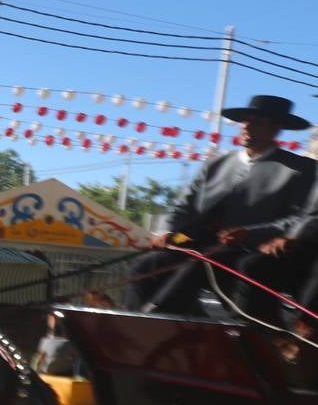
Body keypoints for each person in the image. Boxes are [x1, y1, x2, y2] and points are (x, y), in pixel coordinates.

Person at [125, 95, 316, 320]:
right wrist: (167, 233)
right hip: (192, 241)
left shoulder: (301, 168)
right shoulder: (215, 165)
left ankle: (155, 317)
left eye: (256, 122)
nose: (246, 127)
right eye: (245, 121)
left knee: (201, 264)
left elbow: (301, 217)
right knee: (145, 265)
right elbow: (184, 206)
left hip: (252, 250)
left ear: (276, 128)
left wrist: (251, 233)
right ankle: (129, 320)